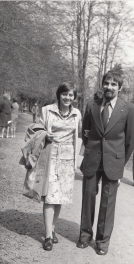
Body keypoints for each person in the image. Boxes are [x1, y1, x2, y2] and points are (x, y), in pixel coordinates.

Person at [76, 68, 134, 256]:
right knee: (88, 198)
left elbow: (131, 141)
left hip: (114, 162)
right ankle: (85, 236)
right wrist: (90, 152)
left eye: (113, 84)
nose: (109, 87)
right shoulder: (92, 105)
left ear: (119, 88)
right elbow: (85, 133)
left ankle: (102, 241)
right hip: (92, 159)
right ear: (102, 85)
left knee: (107, 203)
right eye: (107, 83)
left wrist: (120, 162)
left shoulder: (129, 109)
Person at [38, 81, 81, 251]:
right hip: (51, 157)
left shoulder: (77, 113)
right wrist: (45, 135)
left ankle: (53, 229)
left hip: (68, 160)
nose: (67, 97)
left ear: (74, 97)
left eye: (71, 95)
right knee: (50, 196)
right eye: (64, 94)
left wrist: (77, 162)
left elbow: (77, 137)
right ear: (59, 94)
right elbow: (37, 129)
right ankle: (48, 235)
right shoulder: (47, 110)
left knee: (60, 198)